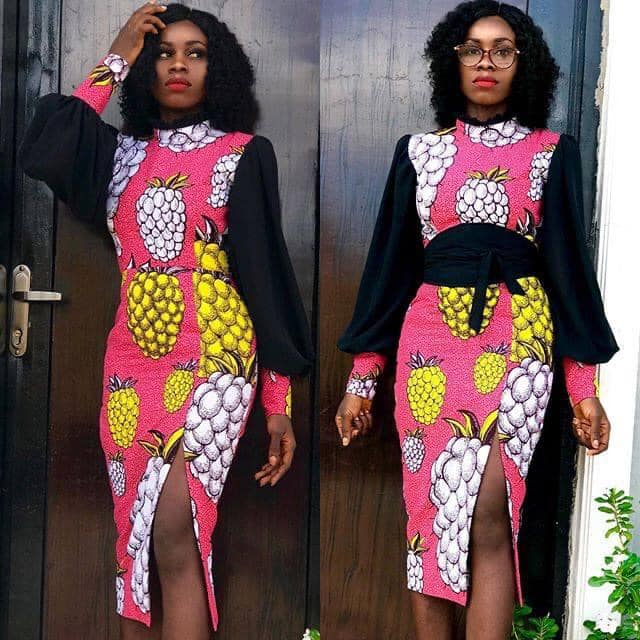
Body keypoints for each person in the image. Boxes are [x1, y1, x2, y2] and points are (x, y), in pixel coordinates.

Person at [19, 2, 313, 638]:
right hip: (132, 361)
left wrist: (278, 401)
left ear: (217, 69)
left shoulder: (242, 155)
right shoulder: (115, 157)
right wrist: (119, 54)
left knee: (178, 527)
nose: (178, 65)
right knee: (135, 539)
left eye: (195, 53)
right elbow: (47, 144)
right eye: (163, 53)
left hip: (216, 359)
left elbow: (265, 279)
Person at [334, 1, 618, 639]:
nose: (486, 61)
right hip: (430, 345)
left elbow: (570, 278)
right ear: (451, 61)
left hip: (520, 340)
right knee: (430, 516)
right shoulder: (419, 153)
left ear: (524, 64)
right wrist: (362, 380)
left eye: (502, 49)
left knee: (492, 513)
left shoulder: (551, 153)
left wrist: (584, 389)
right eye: (471, 48)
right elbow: (387, 274)